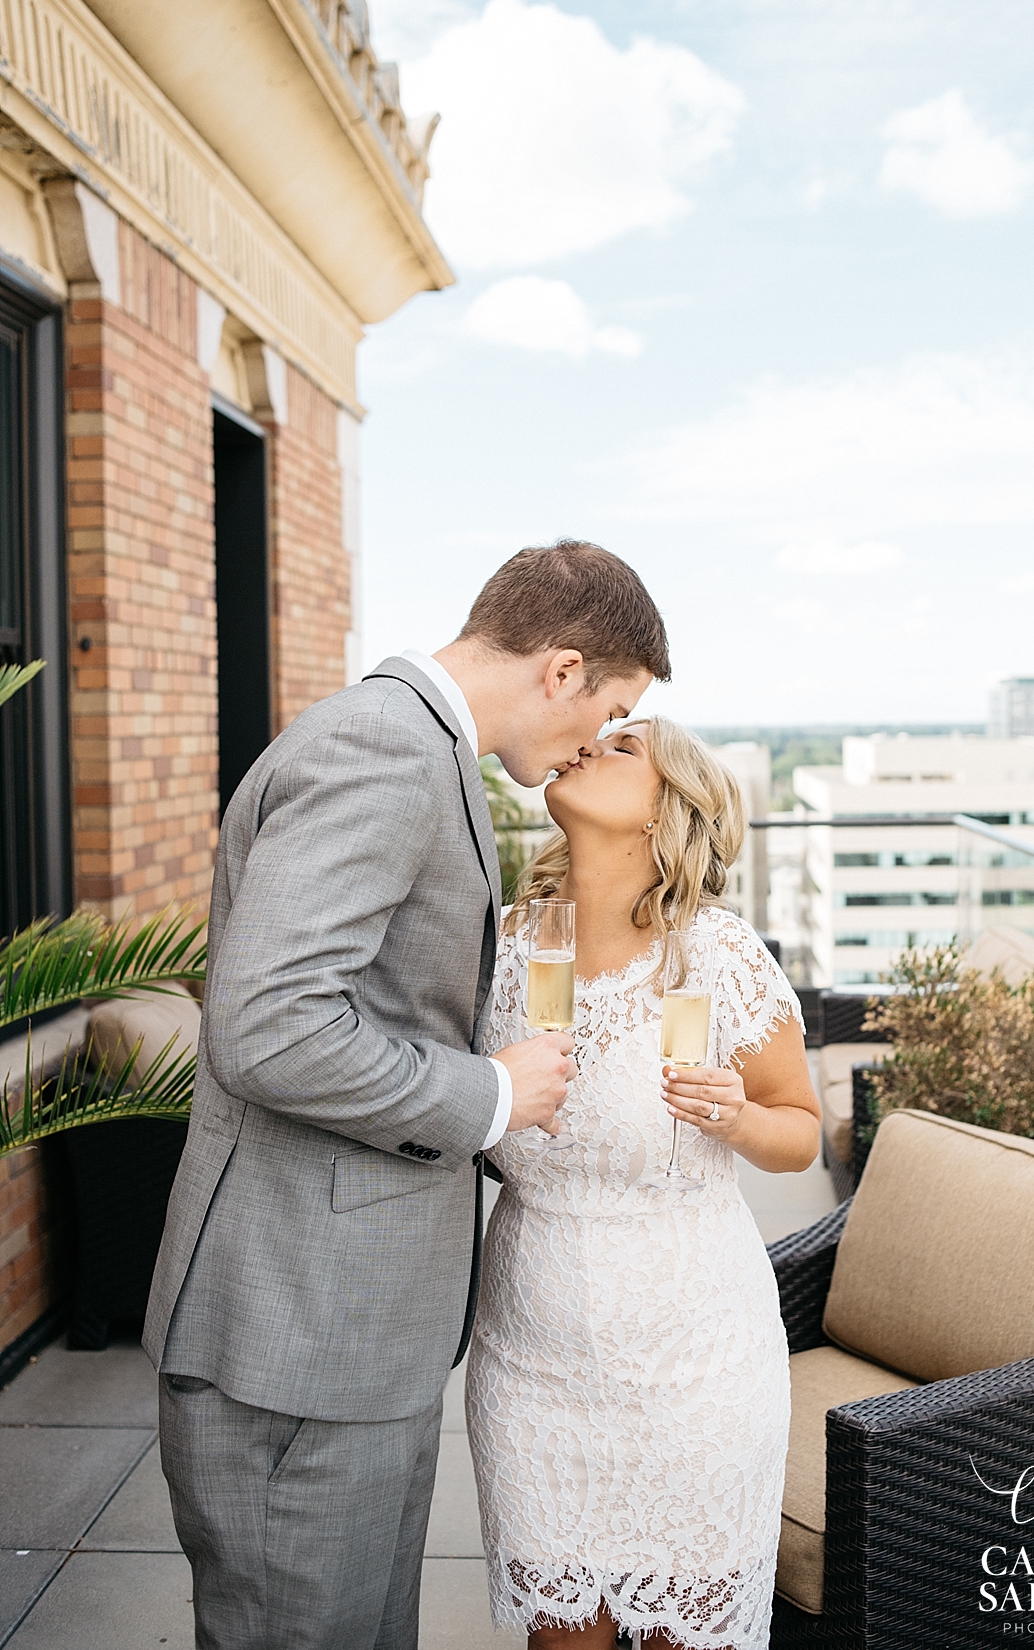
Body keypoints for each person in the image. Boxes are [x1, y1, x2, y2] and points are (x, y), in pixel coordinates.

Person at [143, 540, 670, 1650]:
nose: (595, 742)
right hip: (298, 1335)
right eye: (609, 709)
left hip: (348, 1332)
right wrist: (484, 1094)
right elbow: (268, 1023)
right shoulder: (385, 749)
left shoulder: (423, 751)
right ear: (563, 670)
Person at [466, 717, 822, 1650]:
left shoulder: (715, 956)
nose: (588, 743)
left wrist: (736, 1116)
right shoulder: (503, 945)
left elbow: (803, 1139)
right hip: (532, 1363)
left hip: (696, 1367)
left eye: (625, 747)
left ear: (669, 808)